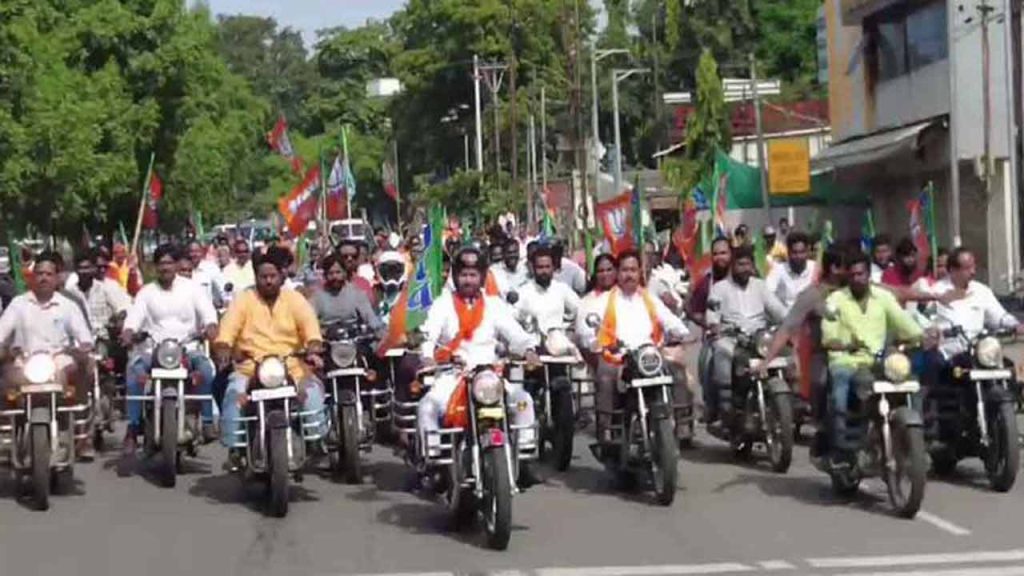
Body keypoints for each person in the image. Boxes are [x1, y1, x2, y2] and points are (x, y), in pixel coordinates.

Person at [417, 247, 541, 485]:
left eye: (473, 275)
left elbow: (515, 334)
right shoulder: (443, 304)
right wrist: (428, 357)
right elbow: (428, 336)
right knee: (427, 407)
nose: (468, 280)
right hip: (452, 376)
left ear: (482, 276)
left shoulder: (494, 305)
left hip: (489, 377)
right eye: (463, 275)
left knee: (523, 400)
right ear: (454, 277)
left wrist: (528, 350)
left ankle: (523, 459)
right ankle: (434, 461)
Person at [214, 246, 327, 469]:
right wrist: (224, 347)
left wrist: (313, 347)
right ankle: (235, 449)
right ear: (256, 277)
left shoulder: (294, 299)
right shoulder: (243, 299)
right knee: (233, 395)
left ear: (280, 277)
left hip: (292, 367)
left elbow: (310, 326)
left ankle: (315, 442)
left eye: (272, 276)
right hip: (250, 368)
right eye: (263, 277)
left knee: (311, 394)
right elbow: (227, 329)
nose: (268, 281)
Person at [120, 245, 219, 459]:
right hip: (154, 349)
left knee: (206, 369)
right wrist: (128, 332)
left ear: (176, 265)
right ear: (155, 267)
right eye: (161, 263)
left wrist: (210, 327)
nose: (165, 267)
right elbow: (133, 319)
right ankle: (134, 426)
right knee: (135, 372)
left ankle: (208, 421)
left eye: (169, 263)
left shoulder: (192, 289)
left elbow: (209, 314)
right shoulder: (146, 292)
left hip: (188, 347)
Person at [821, 252, 924, 456]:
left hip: (877, 361)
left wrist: (922, 336)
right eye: (853, 275)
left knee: (910, 381)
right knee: (840, 385)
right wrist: (845, 344)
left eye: (861, 274)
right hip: (846, 361)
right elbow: (828, 336)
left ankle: (915, 438)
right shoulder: (835, 300)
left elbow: (903, 321)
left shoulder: (883, 297)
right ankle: (841, 444)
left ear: (869, 275)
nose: (857, 279)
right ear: (847, 277)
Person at [0, 251, 96, 459]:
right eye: (39, 274)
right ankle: (7, 435)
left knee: (83, 368)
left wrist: (82, 348)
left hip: (58, 361)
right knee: (6, 381)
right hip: (25, 361)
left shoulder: (68, 306)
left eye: (48, 274)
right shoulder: (19, 304)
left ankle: (81, 435)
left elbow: (84, 339)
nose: (43, 278)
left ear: (56, 278)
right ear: (32, 278)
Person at [592, 251, 691, 447]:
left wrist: (682, 333)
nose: (629, 275)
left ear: (640, 273)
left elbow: (670, 321)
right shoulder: (605, 300)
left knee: (677, 372)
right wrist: (601, 342)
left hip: (649, 356)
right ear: (618, 274)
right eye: (624, 270)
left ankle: (682, 424)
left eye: (633, 270)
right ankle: (607, 431)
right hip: (619, 357)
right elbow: (593, 327)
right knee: (604, 377)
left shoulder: (649, 299)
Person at [759, 246, 849, 443]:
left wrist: (932, 296)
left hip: (859, 354)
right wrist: (766, 361)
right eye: (848, 267)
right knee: (821, 382)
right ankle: (823, 426)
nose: (854, 273)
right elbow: (788, 327)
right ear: (834, 268)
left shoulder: (858, 290)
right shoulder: (813, 295)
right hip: (824, 355)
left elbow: (896, 294)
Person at [705, 246, 787, 425]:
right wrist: (715, 325)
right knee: (721, 350)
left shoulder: (760, 286)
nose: (744, 269)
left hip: (758, 338)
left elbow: (778, 310)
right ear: (732, 266)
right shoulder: (719, 288)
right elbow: (712, 316)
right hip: (731, 337)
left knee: (786, 354)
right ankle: (725, 404)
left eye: (747, 265)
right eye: (740, 264)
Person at [311, 252, 384, 335]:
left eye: (338, 272)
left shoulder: (356, 293)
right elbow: (309, 320)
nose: (335, 277)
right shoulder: (318, 297)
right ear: (325, 275)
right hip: (328, 341)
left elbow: (370, 317)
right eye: (331, 273)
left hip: (353, 340)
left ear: (344, 273)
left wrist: (378, 331)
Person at [63, 250, 131, 337]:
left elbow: (123, 308)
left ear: (93, 268)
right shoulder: (70, 292)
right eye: (81, 268)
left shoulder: (104, 288)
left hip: (103, 339)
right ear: (75, 270)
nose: (84, 272)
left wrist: (116, 319)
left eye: (87, 268)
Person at [515, 245, 581, 334]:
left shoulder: (561, 289)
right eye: (540, 267)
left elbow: (580, 309)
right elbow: (513, 318)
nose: (544, 271)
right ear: (533, 268)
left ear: (553, 267)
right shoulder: (523, 292)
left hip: (558, 342)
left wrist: (569, 330)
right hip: (533, 343)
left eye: (547, 267)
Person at [764, 231, 816, 312]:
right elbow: (766, 294)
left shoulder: (815, 268)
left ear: (807, 252)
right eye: (794, 252)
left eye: (802, 252)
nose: (798, 256)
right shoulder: (778, 270)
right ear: (788, 253)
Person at [687, 237, 732, 328]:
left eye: (723, 253)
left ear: (731, 254)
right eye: (715, 254)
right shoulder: (705, 284)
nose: (719, 257)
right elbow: (695, 313)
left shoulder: (742, 278)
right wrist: (710, 324)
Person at [576, 253, 618, 352]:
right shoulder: (587, 301)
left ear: (616, 271)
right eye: (600, 271)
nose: (605, 274)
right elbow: (581, 331)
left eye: (609, 270)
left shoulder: (625, 296)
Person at [188, 240, 225, 309]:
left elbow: (222, 290)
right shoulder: (184, 270)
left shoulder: (211, 268)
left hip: (208, 313)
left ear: (202, 252)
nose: (194, 254)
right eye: (191, 251)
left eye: (197, 251)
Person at [338, 241, 377, 305]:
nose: (350, 259)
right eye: (345, 256)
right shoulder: (326, 284)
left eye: (354, 256)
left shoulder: (364, 283)